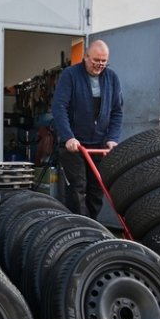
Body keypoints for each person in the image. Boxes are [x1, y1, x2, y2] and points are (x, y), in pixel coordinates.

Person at [51, 39, 123, 219]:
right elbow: (59, 107)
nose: (99, 65)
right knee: (77, 187)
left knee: (97, 189)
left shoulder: (112, 78)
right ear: (85, 57)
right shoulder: (70, 75)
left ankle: (92, 226)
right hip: (74, 145)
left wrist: (112, 138)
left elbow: (117, 112)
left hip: (98, 145)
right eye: (95, 60)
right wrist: (68, 137)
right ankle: (79, 228)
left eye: (103, 61)